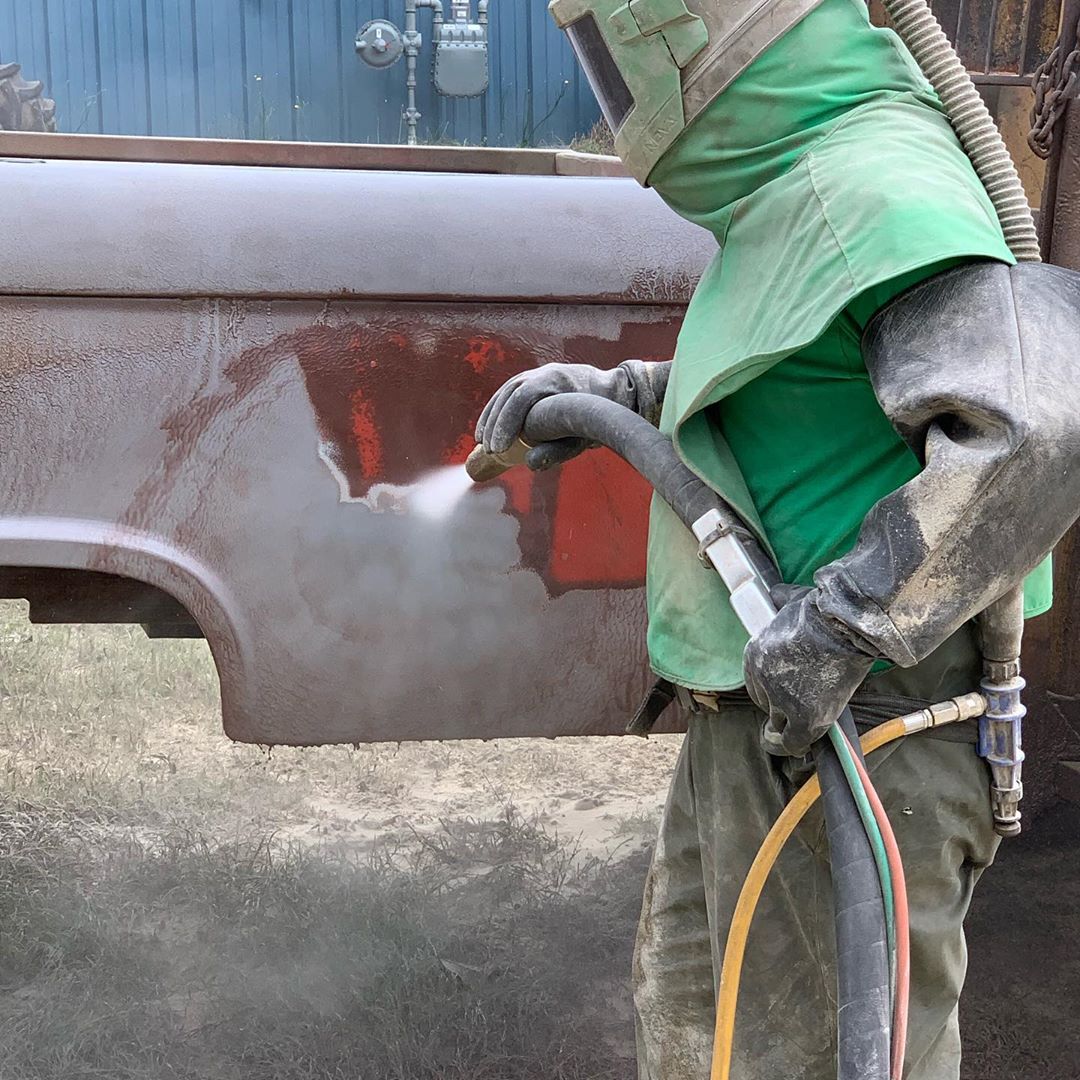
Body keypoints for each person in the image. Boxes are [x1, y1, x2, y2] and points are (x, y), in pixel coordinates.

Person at [475, 2, 1080, 1076]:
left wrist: (847, 624)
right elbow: (803, 381)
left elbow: (1036, 432)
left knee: (826, 1054)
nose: (620, 101)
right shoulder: (803, 187)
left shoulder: (872, 186)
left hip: (867, 728)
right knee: (716, 1039)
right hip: (778, 720)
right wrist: (615, 396)